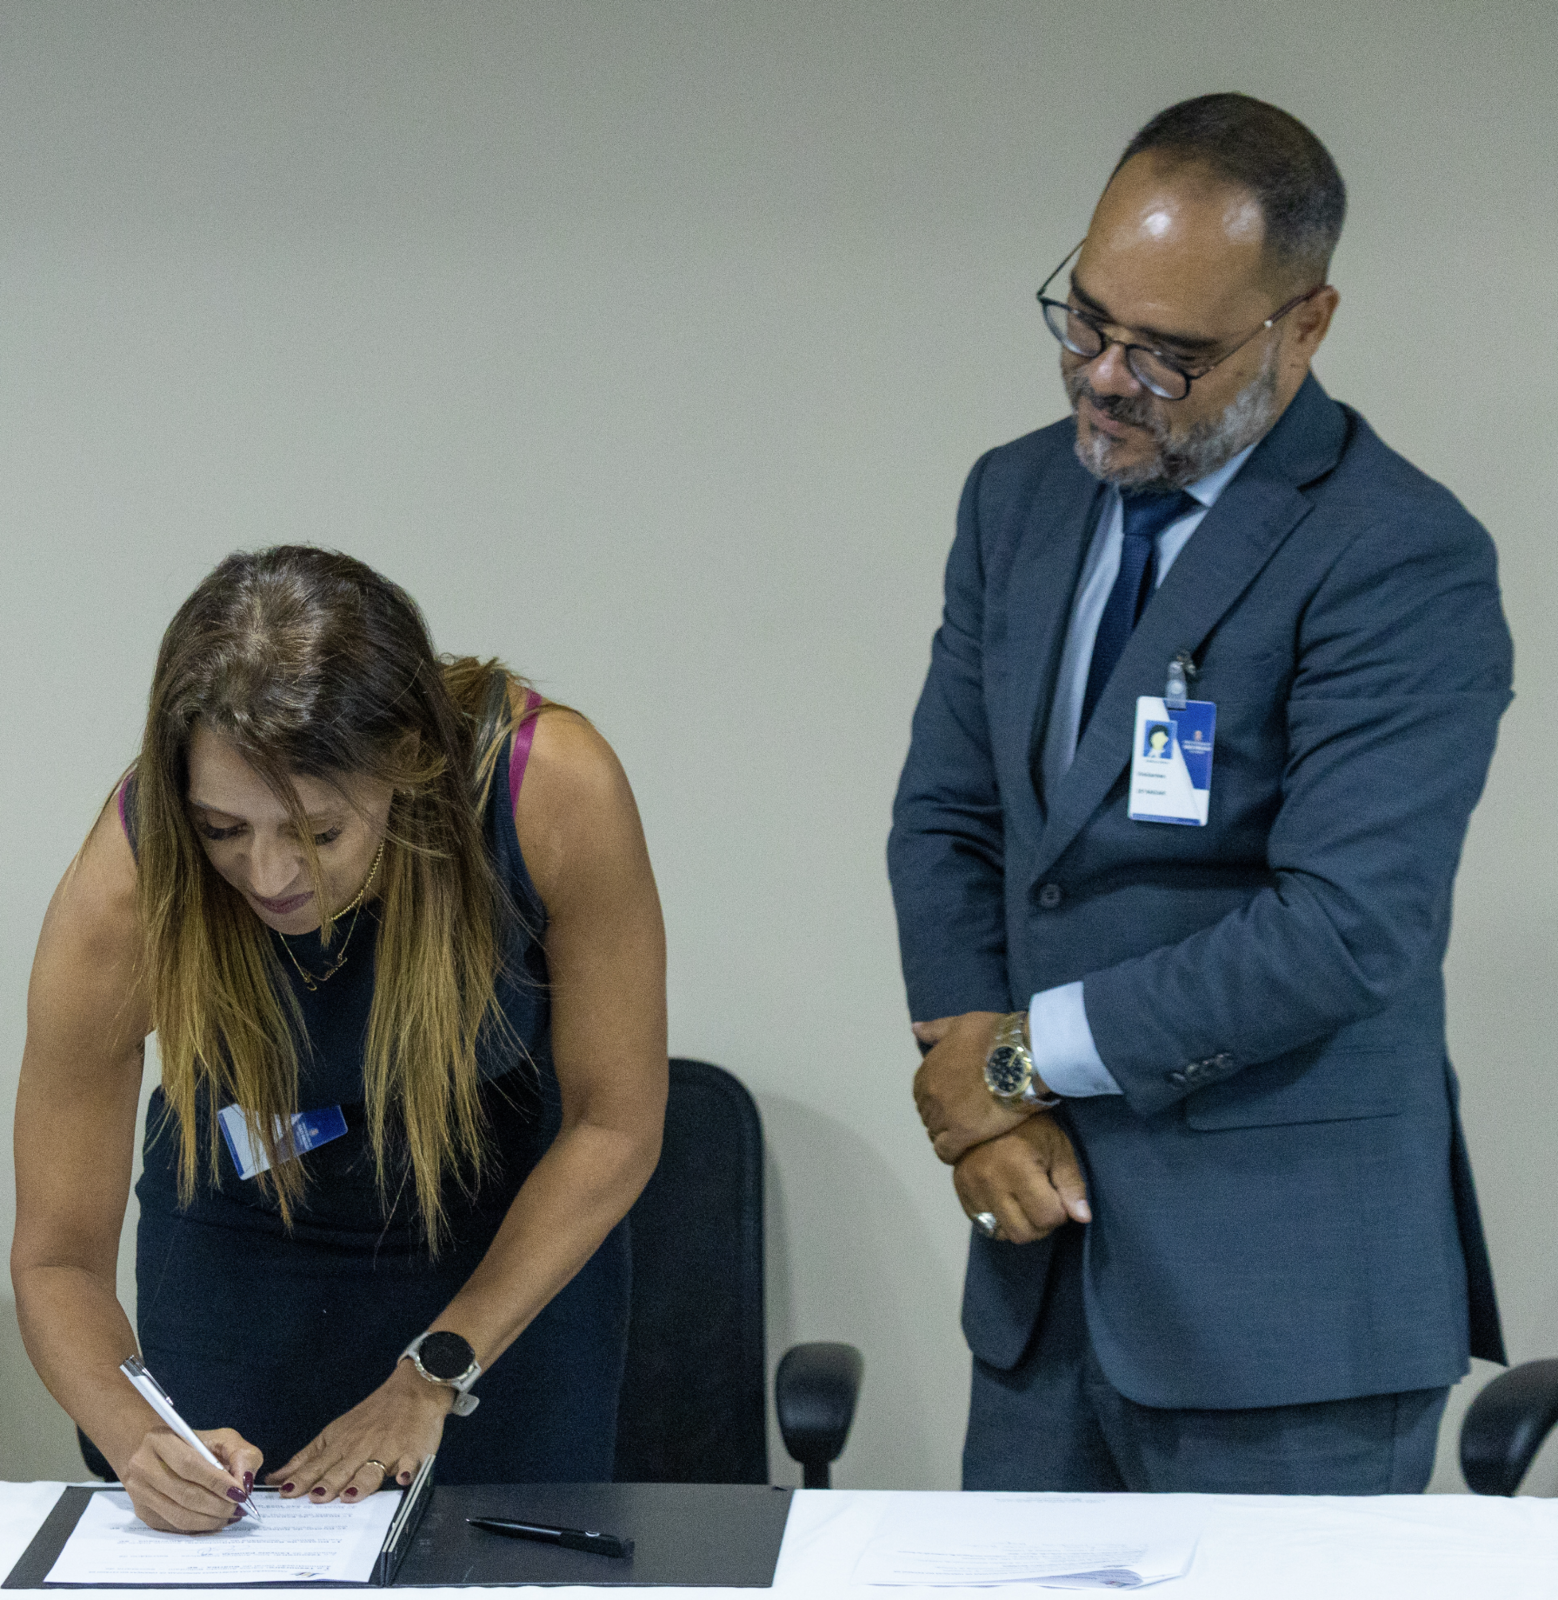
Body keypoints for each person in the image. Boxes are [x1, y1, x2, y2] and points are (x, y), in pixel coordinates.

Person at [888, 93, 1511, 1494]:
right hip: (1042, 1271)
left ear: (1304, 324)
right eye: (1085, 321)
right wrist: (984, 1092)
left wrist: (1013, 1063)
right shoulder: (1014, 499)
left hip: (1287, 1310)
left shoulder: (1398, 554)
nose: (1106, 378)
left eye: (1168, 353)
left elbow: (1345, 926)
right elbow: (949, 818)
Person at [12, 546, 667, 1532]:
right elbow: (56, 1257)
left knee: (504, 1569)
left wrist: (435, 1370)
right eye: (223, 830)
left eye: (318, 833)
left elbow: (615, 1124)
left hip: (499, 1235)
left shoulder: (547, 787)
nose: (271, 876)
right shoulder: (127, 884)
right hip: (246, 1230)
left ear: (409, 769)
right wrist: (135, 1436)